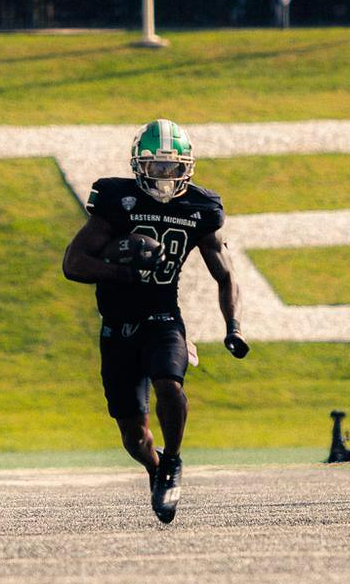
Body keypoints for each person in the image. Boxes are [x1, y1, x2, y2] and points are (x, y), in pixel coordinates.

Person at [62, 119, 245, 524]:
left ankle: (175, 459)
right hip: (117, 324)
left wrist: (232, 326)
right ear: (139, 166)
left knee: (169, 382)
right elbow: (73, 264)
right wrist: (122, 263)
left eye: (173, 167)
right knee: (133, 437)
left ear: (187, 167)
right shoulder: (116, 201)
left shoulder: (199, 208)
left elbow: (226, 274)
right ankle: (156, 466)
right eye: (157, 167)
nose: (165, 176)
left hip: (163, 317)